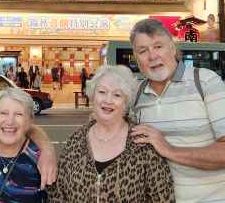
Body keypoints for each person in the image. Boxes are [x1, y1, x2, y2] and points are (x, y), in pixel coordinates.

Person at [129, 18, 225, 203]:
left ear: (172, 48)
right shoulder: (136, 94)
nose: (152, 56)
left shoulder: (205, 82)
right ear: (136, 58)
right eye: (143, 51)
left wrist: (169, 150)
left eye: (158, 46)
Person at [48, 65, 175, 202]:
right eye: (102, 92)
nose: (108, 100)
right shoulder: (75, 141)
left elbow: (163, 198)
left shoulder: (143, 144)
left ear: (126, 102)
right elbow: (58, 195)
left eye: (117, 95)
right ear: (92, 95)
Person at [0, 87, 47, 202]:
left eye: (18, 114)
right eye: (3, 113)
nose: (10, 121)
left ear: (29, 121)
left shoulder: (41, 160)